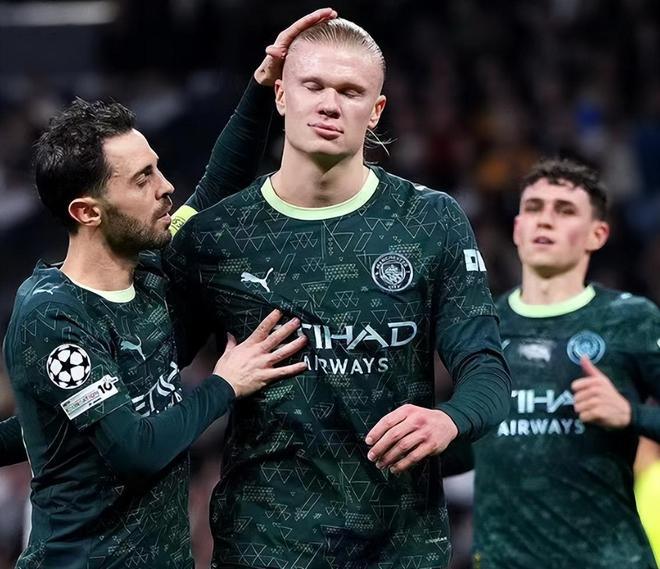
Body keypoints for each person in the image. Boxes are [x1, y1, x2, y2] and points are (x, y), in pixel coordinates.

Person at [164, 18, 511, 569]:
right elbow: (151, 369)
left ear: (375, 111)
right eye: (313, 86)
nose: (330, 104)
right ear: (280, 95)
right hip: (265, 548)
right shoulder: (218, 236)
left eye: (350, 92)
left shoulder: (430, 221)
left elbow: (488, 373)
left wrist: (449, 420)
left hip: (401, 549)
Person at [2, 9, 337, 568]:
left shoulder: (149, 267)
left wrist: (261, 87)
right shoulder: (52, 314)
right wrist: (225, 383)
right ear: (87, 212)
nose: (166, 187)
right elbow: (134, 451)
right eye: (142, 179)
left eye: (156, 168)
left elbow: (213, 191)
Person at [471, 158, 660, 569]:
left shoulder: (631, 320)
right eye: (534, 207)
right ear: (517, 228)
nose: (545, 220)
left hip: (607, 561)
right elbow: (471, 446)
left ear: (597, 234)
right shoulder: (481, 325)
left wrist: (631, 415)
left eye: (565, 210)